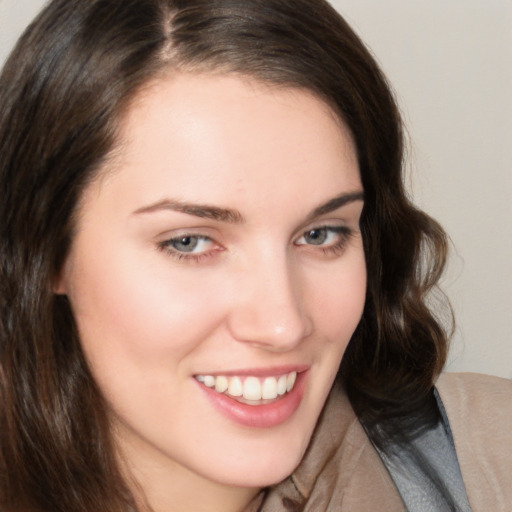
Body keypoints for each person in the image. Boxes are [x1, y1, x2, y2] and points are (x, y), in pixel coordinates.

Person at [0, 0, 510, 511]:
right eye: (189, 241)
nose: (282, 325)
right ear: (48, 253)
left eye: (320, 234)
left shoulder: (491, 459)